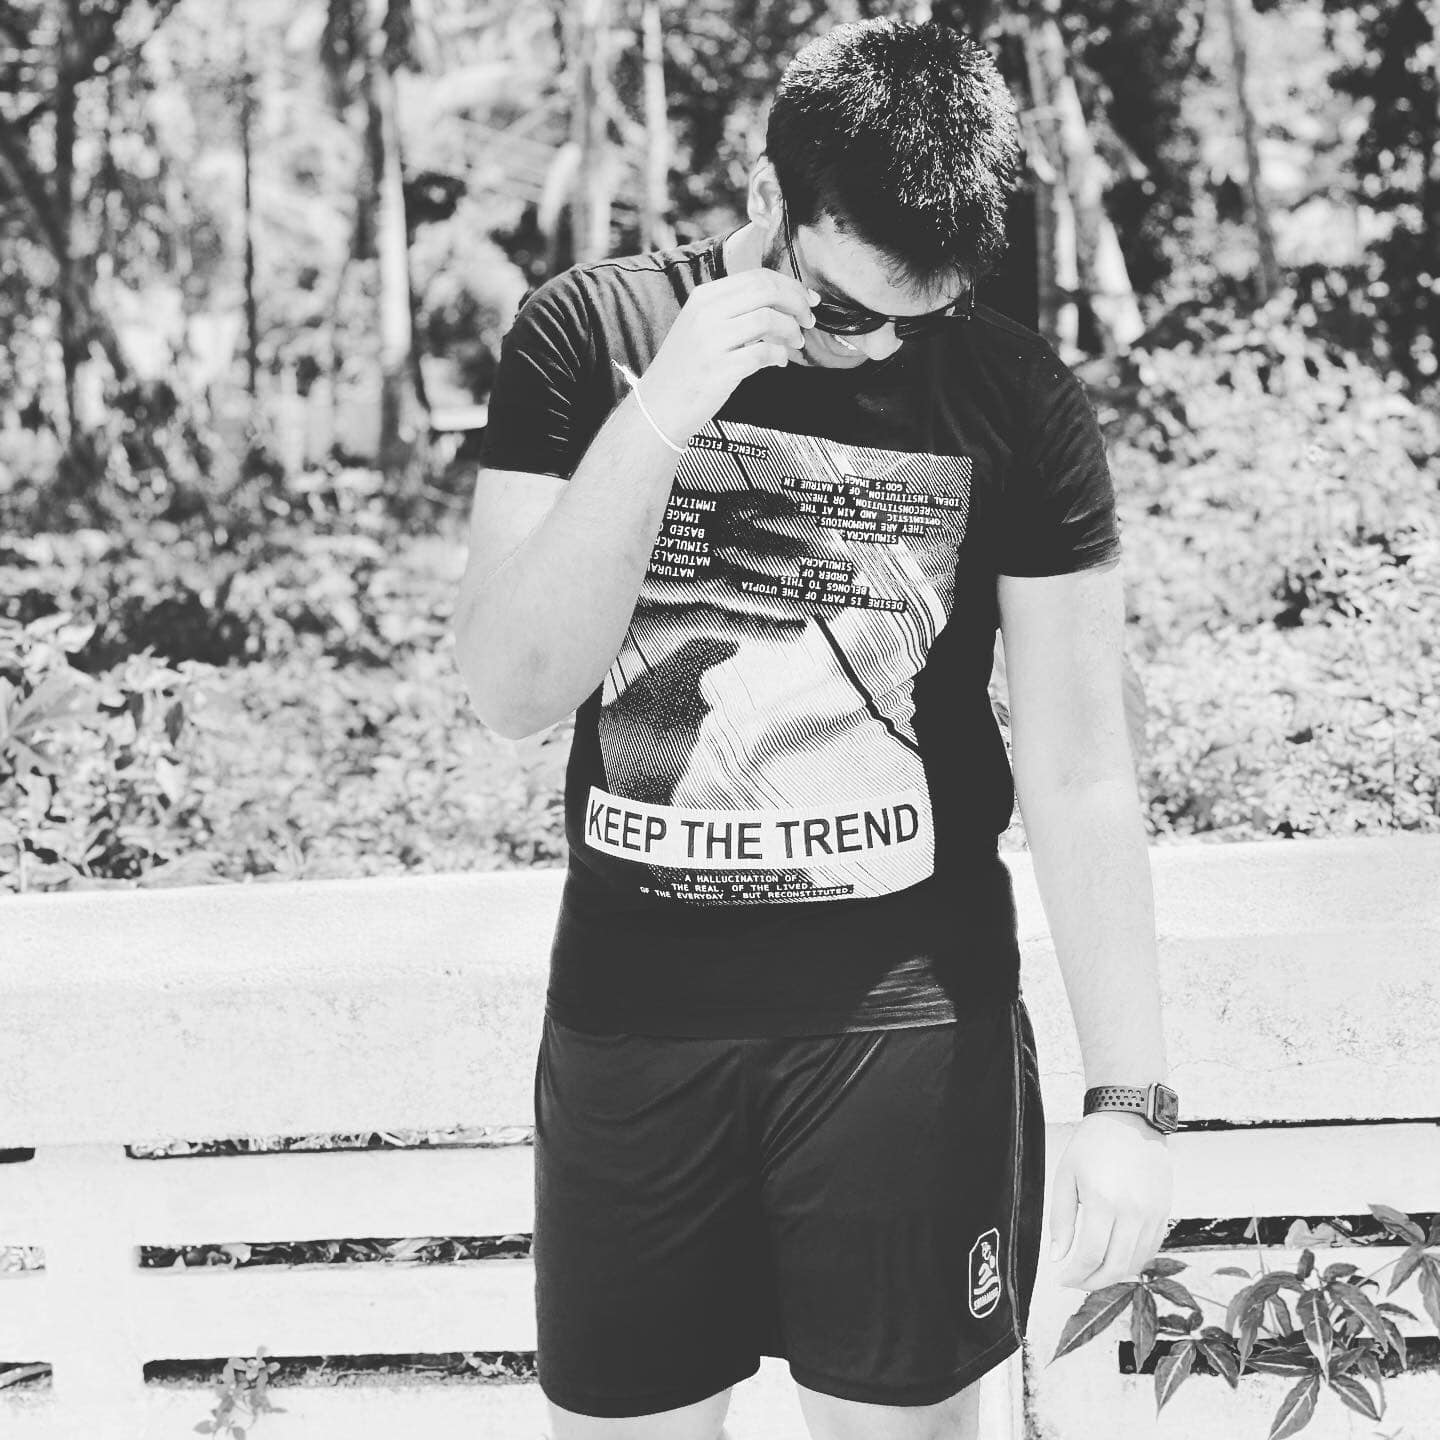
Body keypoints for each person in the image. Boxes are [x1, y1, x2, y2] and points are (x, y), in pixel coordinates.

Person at [452, 17, 1174, 1440]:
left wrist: (1132, 1102)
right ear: (767, 198)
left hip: (908, 1030)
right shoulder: (591, 336)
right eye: (845, 309)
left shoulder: (1013, 394)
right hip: (635, 1027)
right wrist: (667, 410)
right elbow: (513, 689)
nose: (881, 346)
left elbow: (1083, 767)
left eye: (921, 314)